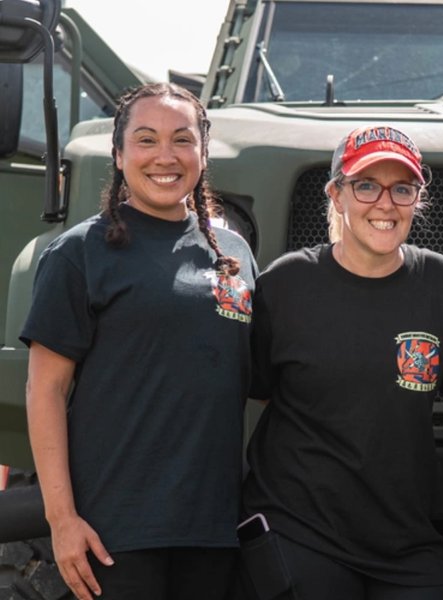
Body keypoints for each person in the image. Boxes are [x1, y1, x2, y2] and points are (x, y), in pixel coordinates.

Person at [22, 83, 256, 600]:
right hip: (113, 536)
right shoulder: (79, 253)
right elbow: (45, 392)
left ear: (203, 152)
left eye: (182, 140)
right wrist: (62, 521)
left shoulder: (235, 255)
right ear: (120, 153)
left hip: (213, 531)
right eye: (146, 140)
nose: (165, 157)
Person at [239, 125, 443, 600]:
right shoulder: (288, 284)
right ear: (337, 194)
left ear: (418, 197)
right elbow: (258, 384)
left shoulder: (441, 282)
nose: (385, 203)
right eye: (366, 185)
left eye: (403, 188)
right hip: (301, 528)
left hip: (404, 539)